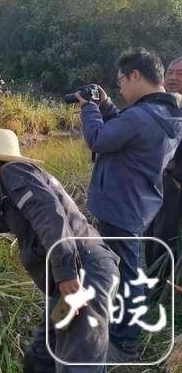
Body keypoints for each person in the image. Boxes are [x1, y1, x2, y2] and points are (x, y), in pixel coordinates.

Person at [0, 127, 120, 372]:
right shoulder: (13, 185)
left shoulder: (13, 172)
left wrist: (66, 273)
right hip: (73, 281)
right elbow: (2, 222)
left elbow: (49, 214)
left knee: (77, 364)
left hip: (83, 276)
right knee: (42, 355)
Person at [76, 47, 182, 361]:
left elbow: (98, 138)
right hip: (138, 204)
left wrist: (88, 108)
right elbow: (123, 134)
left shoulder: (140, 116)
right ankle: (117, 327)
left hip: (120, 207)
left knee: (128, 274)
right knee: (126, 268)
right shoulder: (167, 113)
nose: (120, 86)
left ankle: (125, 344)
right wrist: (107, 104)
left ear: (136, 75)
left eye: (122, 79)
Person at [145, 56, 182, 272]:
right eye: (170, 72)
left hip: (175, 185)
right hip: (157, 184)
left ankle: (165, 284)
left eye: (180, 74)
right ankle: (156, 281)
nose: (173, 78)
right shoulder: (157, 106)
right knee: (155, 235)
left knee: (167, 235)